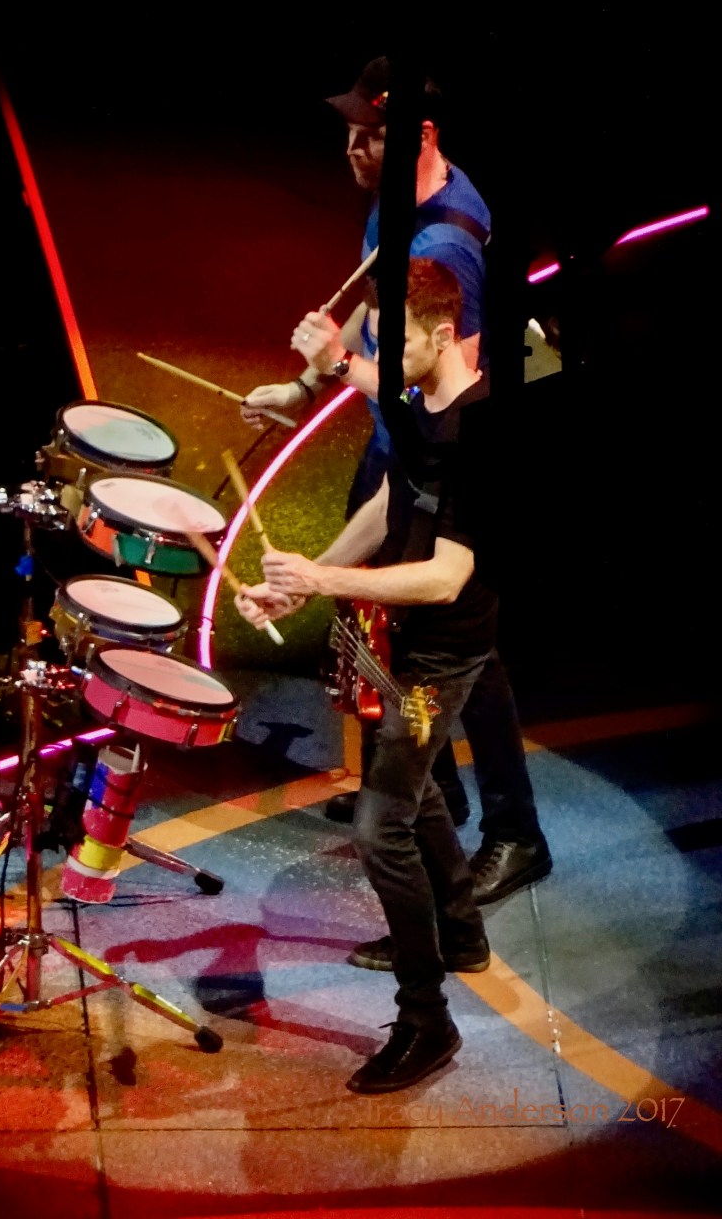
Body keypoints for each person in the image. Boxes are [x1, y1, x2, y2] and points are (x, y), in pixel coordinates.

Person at [241, 57, 551, 920]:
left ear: (419, 134)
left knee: (463, 650)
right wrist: (305, 386)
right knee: (383, 632)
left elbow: (451, 398)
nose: (350, 148)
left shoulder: (448, 240)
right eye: (347, 131)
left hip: (436, 461)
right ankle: (433, 798)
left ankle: (514, 830)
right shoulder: (396, 206)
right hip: (396, 450)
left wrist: (340, 369)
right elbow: (375, 302)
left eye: (367, 134)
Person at [235, 257, 495, 1094]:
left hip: (439, 658)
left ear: (443, 334)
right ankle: (459, 933)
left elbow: (446, 575)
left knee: (383, 823)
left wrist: (324, 584)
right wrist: (301, 576)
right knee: (411, 792)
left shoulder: (478, 432)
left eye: (394, 343)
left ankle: (428, 1018)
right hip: (405, 641)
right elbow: (390, 505)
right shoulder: (424, 405)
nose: (380, 360)